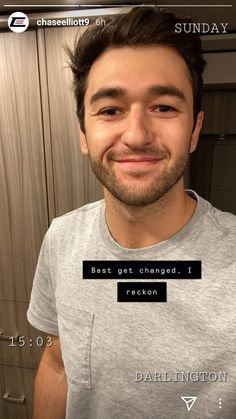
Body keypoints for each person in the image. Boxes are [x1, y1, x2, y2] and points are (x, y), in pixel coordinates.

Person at [27, 6, 236, 419]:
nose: (137, 135)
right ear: (84, 134)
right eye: (110, 110)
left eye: (163, 107)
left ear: (194, 129)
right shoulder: (61, 238)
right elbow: (57, 361)